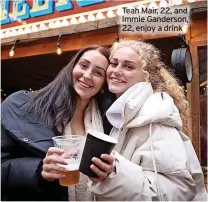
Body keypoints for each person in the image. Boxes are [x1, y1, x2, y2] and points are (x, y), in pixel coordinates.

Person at [88, 40, 207, 201]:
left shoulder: (155, 119)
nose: (116, 71)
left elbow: (180, 189)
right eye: (114, 63)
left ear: (147, 75)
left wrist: (115, 173)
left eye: (128, 66)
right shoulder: (125, 114)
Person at [1, 45, 116, 201]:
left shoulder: (108, 119)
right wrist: (38, 169)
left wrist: (110, 172)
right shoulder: (23, 105)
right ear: (72, 67)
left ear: (104, 83)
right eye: (83, 65)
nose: (87, 75)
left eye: (98, 73)